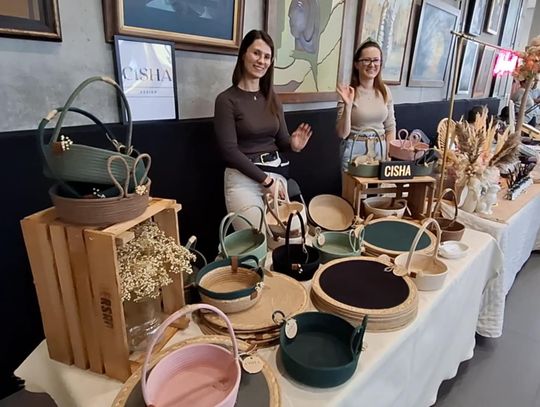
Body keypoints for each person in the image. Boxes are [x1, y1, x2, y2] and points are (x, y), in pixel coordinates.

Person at [214, 29, 312, 228]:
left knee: (290, 235)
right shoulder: (226, 100)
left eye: (267, 56)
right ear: (244, 54)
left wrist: (293, 145)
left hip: (275, 174)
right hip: (243, 179)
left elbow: (282, 140)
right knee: (256, 238)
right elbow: (229, 151)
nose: (262, 61)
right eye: (256, 53)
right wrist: (266, 181)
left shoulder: (272, 98)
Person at [335, 39, 396, 171]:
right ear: (357, 64)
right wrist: (348, 106)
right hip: (354, 150)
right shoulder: (348, 92)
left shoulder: (385, 91)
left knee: (379, 186)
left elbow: (390, 127)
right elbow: (342, 134)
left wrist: (390, 155)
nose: (372, 64)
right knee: (352, 186)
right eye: (366, 60)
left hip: (381, 150)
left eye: (376, 60)